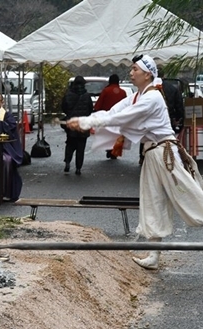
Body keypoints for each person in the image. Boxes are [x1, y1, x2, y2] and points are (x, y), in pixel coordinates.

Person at [66, 54, 203, 270]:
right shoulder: (138, 95)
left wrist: (86, 121)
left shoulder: (152, 98)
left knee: (191, 198)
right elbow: (114, 112)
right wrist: (88, 120)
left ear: (147, 74)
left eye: (135, 70)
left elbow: (122, 118)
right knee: (153, 202)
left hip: (164, 153)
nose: (131, 73)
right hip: (152, 153)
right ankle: (154, 255)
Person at [138, 67, 185, 165]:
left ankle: (144, 158)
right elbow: (179, 106)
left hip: (150, 119)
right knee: (165, 141)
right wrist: (179, 120)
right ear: (164, 76)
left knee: (148, 138)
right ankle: (166, 159)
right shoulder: (173, 88)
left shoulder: (147, 88)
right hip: (168, 119)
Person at [60, 76, 94, 175]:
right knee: (81, 147)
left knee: (70, 144)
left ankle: (67, 162)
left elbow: (64, 107)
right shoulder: (87, 96)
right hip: (83, 124)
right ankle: (78, 168)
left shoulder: (68, 94)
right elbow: (90, 109)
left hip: (72, 124)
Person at [94, 74, 127, 159]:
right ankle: (114, 150)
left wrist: (97, 111)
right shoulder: (123, 92)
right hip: (119, 117)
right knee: (117, 134)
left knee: (108, 133)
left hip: (107, 116)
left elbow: (99, 104)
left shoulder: (106, 91)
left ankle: (109, 148)